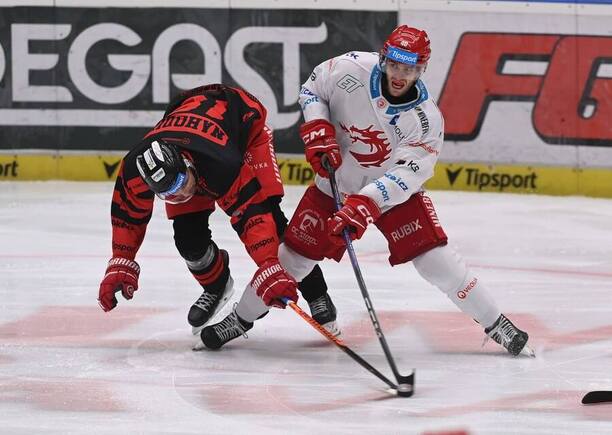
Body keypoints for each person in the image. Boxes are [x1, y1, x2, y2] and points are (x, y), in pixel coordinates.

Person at [207, 26, 533, 356]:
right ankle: (240, 318)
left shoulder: (425, 120)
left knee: (437, 262)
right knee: (289, 261)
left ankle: (496, 323)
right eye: (394, 65)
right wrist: (318, 126)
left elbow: (410, 173)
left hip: (391, 197)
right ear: (383, 59)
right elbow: (312, 89)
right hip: (333, 186)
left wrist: (367, 203)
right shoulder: (349, 69)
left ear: (422, 70)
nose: (399, 75)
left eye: (409, 69)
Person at [97, 84, 338, 344]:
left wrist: (269, 265)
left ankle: (316, 293)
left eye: (180, 186)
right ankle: (216, 285)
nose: (179, 196)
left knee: (274, 221)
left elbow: (252, 217)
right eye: (168, 194)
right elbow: (127, 214)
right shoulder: (138, 167)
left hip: (244, 133)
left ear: (187, 164)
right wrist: (122, 258)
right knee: (188, 241)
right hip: (193, 137)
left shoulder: (224, 164)